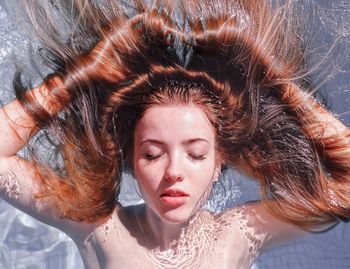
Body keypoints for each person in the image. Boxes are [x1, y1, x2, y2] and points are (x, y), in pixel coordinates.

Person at [0, 0, 349, 268]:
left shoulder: (240, 231)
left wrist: (277, 85)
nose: (173, 172)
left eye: (196, 154)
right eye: (152, 153)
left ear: (217, 163)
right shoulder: (100, 228)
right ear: (132, 161)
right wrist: (77, 77)